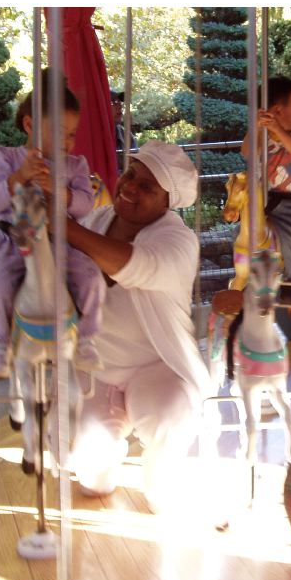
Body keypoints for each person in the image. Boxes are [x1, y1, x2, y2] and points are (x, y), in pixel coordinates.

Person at [57, 139, 213, 512]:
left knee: (163, 469)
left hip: (158, 366)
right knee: (94, 483)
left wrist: (63, 227)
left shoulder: (178, 240)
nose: (130, 186)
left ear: (166, 201)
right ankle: (109, 442)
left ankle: (162, 466)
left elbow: (132, 264)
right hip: (102, 371)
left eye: (147, 186)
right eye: (131, 174)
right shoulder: (99, 219)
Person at [0, 68, 106, 377]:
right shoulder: (6, 158)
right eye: (59, 132)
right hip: (12, 241)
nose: (67, 142)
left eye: (72, 134)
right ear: (30, 125)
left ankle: (87, 338)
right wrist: (18, 178)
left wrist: (60, 194)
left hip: (60, 241)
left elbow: (87, 204)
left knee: (91, 277)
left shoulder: (76, 165)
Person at [241, 75, 291, 283]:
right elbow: (247, 152)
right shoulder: (261, 136)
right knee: (242, 233)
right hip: (265, 199)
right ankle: (250, 277)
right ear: (278, 111)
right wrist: (256, 126)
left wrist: (277, 129)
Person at [111, 90, 139, 173]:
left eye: (119, 102)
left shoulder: (126, 136)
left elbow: (135, 168)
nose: (119, 106)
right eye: (113, 102)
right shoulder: (92, 136)